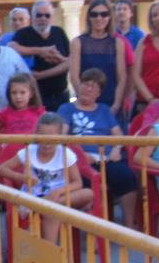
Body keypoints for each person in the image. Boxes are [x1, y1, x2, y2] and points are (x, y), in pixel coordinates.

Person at [59, 68, 139, 228]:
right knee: (89, 182)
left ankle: (129, 229)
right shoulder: (67, 109)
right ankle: (96, 232)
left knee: (127, 177)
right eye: (85, 84)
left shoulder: (104, 110)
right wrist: (80, 155)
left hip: (106, 158)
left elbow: (119, 137)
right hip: (79, 161)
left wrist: (117, 149)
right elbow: (61, 137)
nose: (88, 89)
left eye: (93, 87)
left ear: (99, 93)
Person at [0, 113, 93, 246]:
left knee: (88, 193)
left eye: (51, 139)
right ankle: (50, 250)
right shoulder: (29, 151)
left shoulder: (65, 153)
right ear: (36, 135)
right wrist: (21, 177)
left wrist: (58, 192)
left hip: (59, 196)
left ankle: (42, 207)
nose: (47, 144)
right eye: (43, 138)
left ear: (59, 137)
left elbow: (78, 182)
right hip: (33, 196)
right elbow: (2, 169)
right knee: (52, 210)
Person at [10, 0, 70, 110]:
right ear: (32, 17)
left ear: (52, 17)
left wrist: (58, 58)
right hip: (33, 99)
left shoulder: (59, 32)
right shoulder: (23, 33)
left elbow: (71, 61)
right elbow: (11, 47)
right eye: (39, 15)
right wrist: (40, 51)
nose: (43, 19)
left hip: (60, 96)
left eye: (47, 15)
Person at [69, 0, 127, 113]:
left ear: (110, 17)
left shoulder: (117, 43)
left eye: (104, 14)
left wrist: (116, 105)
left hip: (111, 104)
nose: (99, 18)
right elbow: (74, 76)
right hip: (85, 104)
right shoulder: (78, 42)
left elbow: (122, 77)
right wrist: (84, 100)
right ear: (89, 17)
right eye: (94, 14)